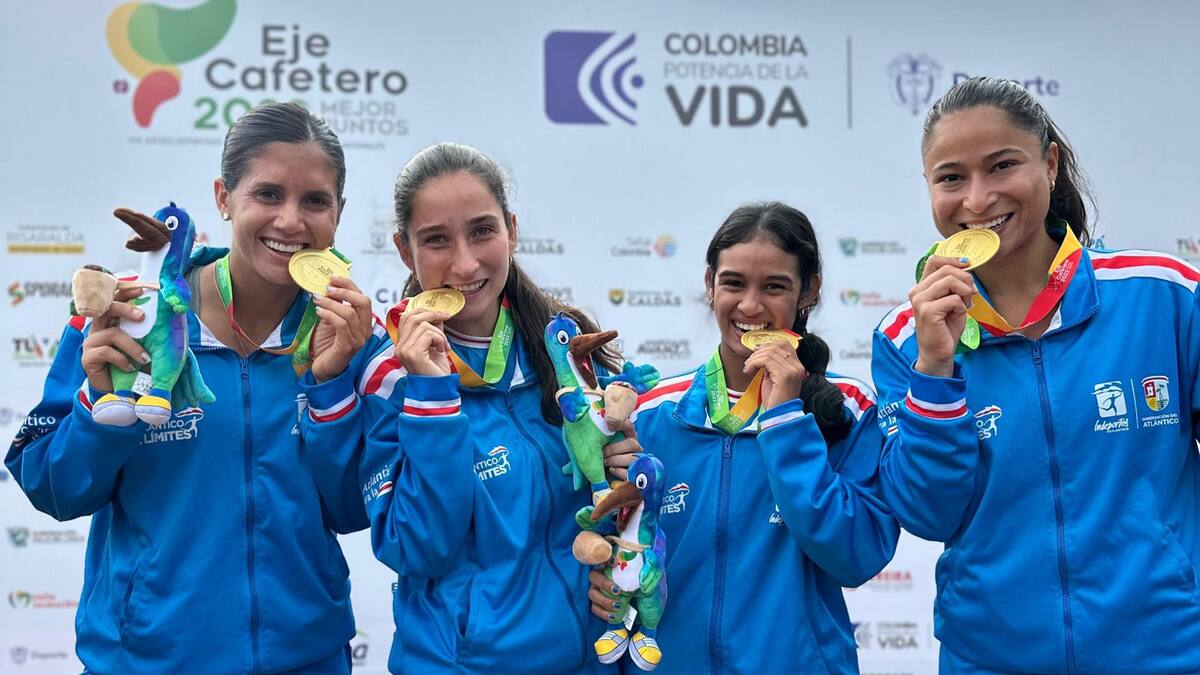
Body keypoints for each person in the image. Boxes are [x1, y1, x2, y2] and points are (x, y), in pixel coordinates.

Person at [5, 102, 382, 674]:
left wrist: (330, 388)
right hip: (145, 662)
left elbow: (353, 510)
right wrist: (100, 406)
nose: (290, 222)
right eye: (268, 194)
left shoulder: (352, 335)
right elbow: (52, 489)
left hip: (306, 660)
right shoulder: (131, 313)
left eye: (315, 201)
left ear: (339, 212)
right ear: (223, 198)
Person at [873, 76, 1200, 673]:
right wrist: (935, 371)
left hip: (1166, 652)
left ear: (1049, 165)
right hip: (990, 658)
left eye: (1002, 166)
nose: (977, 200)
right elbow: (927, 514)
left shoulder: (1164, 295)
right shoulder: (906, 338)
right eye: (951, 178)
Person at [593, 202, 899, 674]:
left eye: (774, 286)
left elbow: (856, 557)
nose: (751, 306)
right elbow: (616, 553)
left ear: (808, 290)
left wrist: (785, 422)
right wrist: (606, 579)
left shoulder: (848, 408)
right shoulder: (651, 415)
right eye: (734, 283)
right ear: (709, 284)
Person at [356, 142, 622, 673]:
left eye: (482, 231)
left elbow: (614, 512)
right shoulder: (390, 374)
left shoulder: (566, 349)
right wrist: (432, 398)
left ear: (511, 230)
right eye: (436, 239)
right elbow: (418, 548)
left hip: (590, 659)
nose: (465, 262)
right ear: (405, 250)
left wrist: (626, 478)